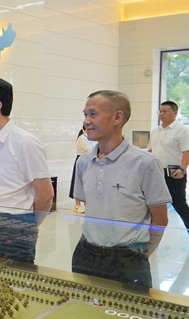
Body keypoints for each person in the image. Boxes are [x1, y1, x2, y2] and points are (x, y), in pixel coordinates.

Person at [72, 90, 171, 288]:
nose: (86, 121)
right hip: (85, 254)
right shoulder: (83, 162)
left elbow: (160, 218)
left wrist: (140, 255)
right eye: (85, 115)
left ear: (117, 117)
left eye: (93, 114)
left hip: (127, 259)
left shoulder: (145, 163)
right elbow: (91, 207)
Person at [0, 78, 53, 264]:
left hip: (17, 223)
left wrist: (30, 225)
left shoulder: (25, 142)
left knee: (17, 278)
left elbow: (46, 193)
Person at [148, 101, 189, 247]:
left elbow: (187, 151)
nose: (161, 114)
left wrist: (182, 169)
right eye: (160, 111)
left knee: (179, 204)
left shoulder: (181, 130)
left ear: (175, 113)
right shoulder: (156, 131)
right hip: (156, 173)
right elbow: (150, 150)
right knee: (151, 203)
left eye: (165, 111)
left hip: (174, 173)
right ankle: (148, 233)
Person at [69, 126, 92, 213]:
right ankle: (77, 205)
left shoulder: (89, 137)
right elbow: (89, 149)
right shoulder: (82, 138)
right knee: (77, 181)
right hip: (81, 160)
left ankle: (87, 204)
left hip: (88, 160)